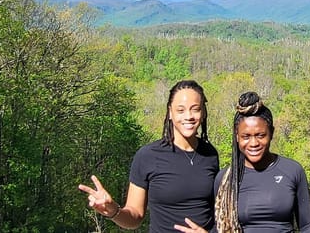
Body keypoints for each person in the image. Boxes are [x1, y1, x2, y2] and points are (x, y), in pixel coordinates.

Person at [79, 79, 219, 232]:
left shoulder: (210, 154)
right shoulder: (148, 156)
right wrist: (114, 211)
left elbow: (216, 214)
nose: (188, 116)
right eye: (180, 110)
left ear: (203, 112)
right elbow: (135, 217)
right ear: (170, 112)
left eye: (195, 109)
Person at [207, 91, 310, 233]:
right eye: (246, 136)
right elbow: (219, 227)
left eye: (260, 135)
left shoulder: (292, 170)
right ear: (237, 137)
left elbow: (307, 226)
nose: (253, 143)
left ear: (271, 133)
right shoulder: (225, 179)